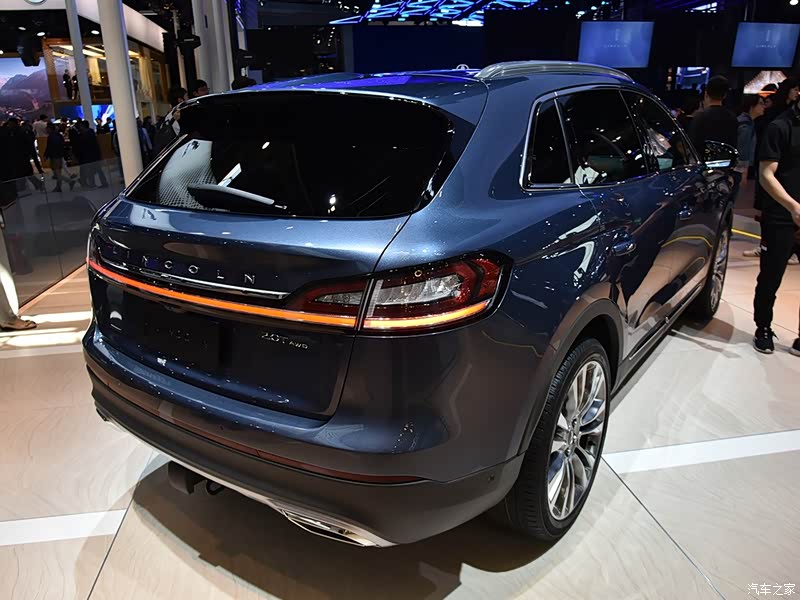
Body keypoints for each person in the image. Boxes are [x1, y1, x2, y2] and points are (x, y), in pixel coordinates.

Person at [752, 95, 800, 356]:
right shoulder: (779, 126)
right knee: (770, 277)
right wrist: (793, 206)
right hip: (781, 216)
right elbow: (765, 174)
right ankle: (763, 328)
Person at [689, 75, 738, 155]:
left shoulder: (699, 117)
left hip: (703, 159)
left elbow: (693, 144)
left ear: (706, 93)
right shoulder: (732, 117)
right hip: (725, 160)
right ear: (725, 95)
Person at [44, 122, 76, 193]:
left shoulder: (51, 137)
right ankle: (61, 185)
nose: (46, 129)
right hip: (59, 155)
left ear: (49, 129)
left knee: (57, 172)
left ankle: (63, 184)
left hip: (55, 156)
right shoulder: (58, 135)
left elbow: (49, 147)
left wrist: (46, 155)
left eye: (47, 128)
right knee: (57, 172)